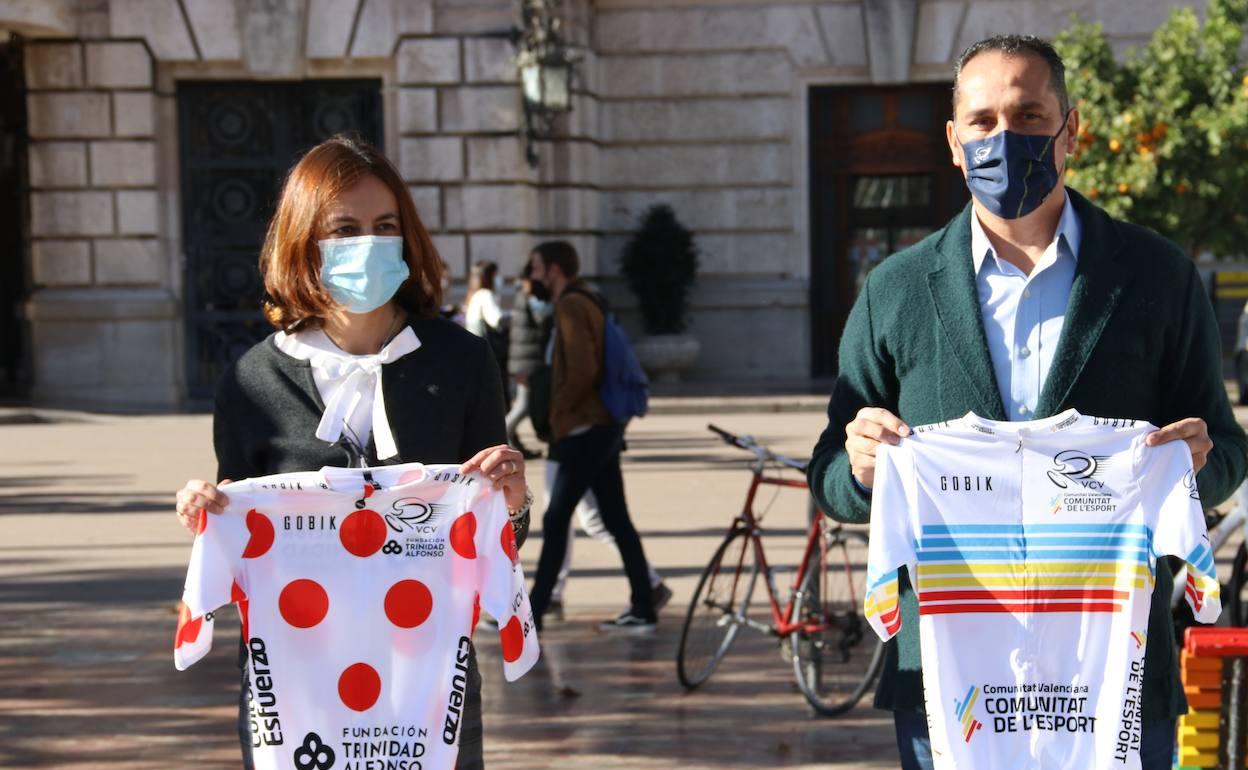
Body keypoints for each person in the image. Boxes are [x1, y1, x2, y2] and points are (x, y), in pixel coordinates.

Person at [807, 35, 1247, 770]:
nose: (1003, 138)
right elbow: (830, 479)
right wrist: (857, 470)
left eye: (1028, 115)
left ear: (1070, 130)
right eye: (982, 121)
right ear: (953, 141)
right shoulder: (896, 290)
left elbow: (1230, 453)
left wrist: (1193, 466)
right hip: (951, 687)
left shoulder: (1156, 276)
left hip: (1115, 678)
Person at [172, 134, 532, 770]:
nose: (368, 242)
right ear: (305, 241)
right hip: (297, 688)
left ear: (407, 237)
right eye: (344, 228)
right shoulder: (253, 379)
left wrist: (514, 498)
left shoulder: (463, 361)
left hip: (426, 685)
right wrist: (205, 513)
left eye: (384, 225)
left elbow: (497, 536)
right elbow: (239, 540)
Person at [525, 240, 658, 632]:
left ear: (554, 270)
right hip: (601, 425)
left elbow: (582, 369)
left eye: (536, 267)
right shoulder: (589, 299)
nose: (532, 275)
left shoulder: (570, 305)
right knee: (615, 518)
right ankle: (644, 606)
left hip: (585, 427)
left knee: (556, 519)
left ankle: (533, 614)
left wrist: (557, 412)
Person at [504, 263, 546, 459]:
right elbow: (541, 320)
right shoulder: (529, 297)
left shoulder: (523, 296)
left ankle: (506, 440)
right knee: (523, 406)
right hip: (526, 363)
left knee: (523, 405)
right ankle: (500, 438)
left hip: (523, 361)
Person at [464, 260, 510, 404]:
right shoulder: (485, 295)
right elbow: (496, 319)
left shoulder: (474, 295)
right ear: (489, 276)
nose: (499, 278)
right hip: (488, 352)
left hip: (473, 353)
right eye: (496, 274)